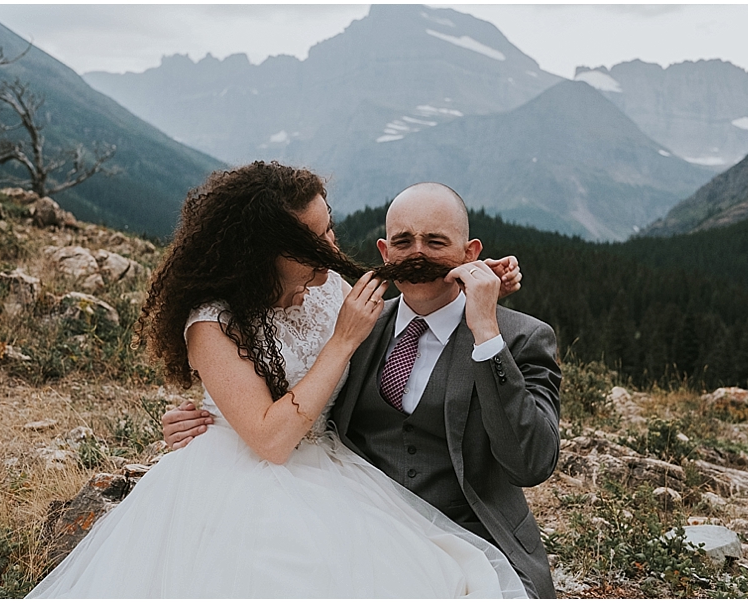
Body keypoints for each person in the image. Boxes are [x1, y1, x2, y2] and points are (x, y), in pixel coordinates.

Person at [27, 162, 531, 598]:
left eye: (329, 228)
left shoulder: (329, 287)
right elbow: (269, 439)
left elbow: (413, 298)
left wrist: (479, 281)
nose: (333, 245)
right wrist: (340, 344)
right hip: (243, 479)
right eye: (316, 237)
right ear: (270, 248)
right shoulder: (214, 322)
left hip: (336, 471)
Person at [164, 181, 563, 597]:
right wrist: (217, 416)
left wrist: (486, 330)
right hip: (353, 516)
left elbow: (531, 464)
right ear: (385, 253)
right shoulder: (356, 321)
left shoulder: (521, 339)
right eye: (403, 242)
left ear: (469, 254)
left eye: (436, 241)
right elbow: (276, 384)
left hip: (473, 535)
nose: (418, 255)